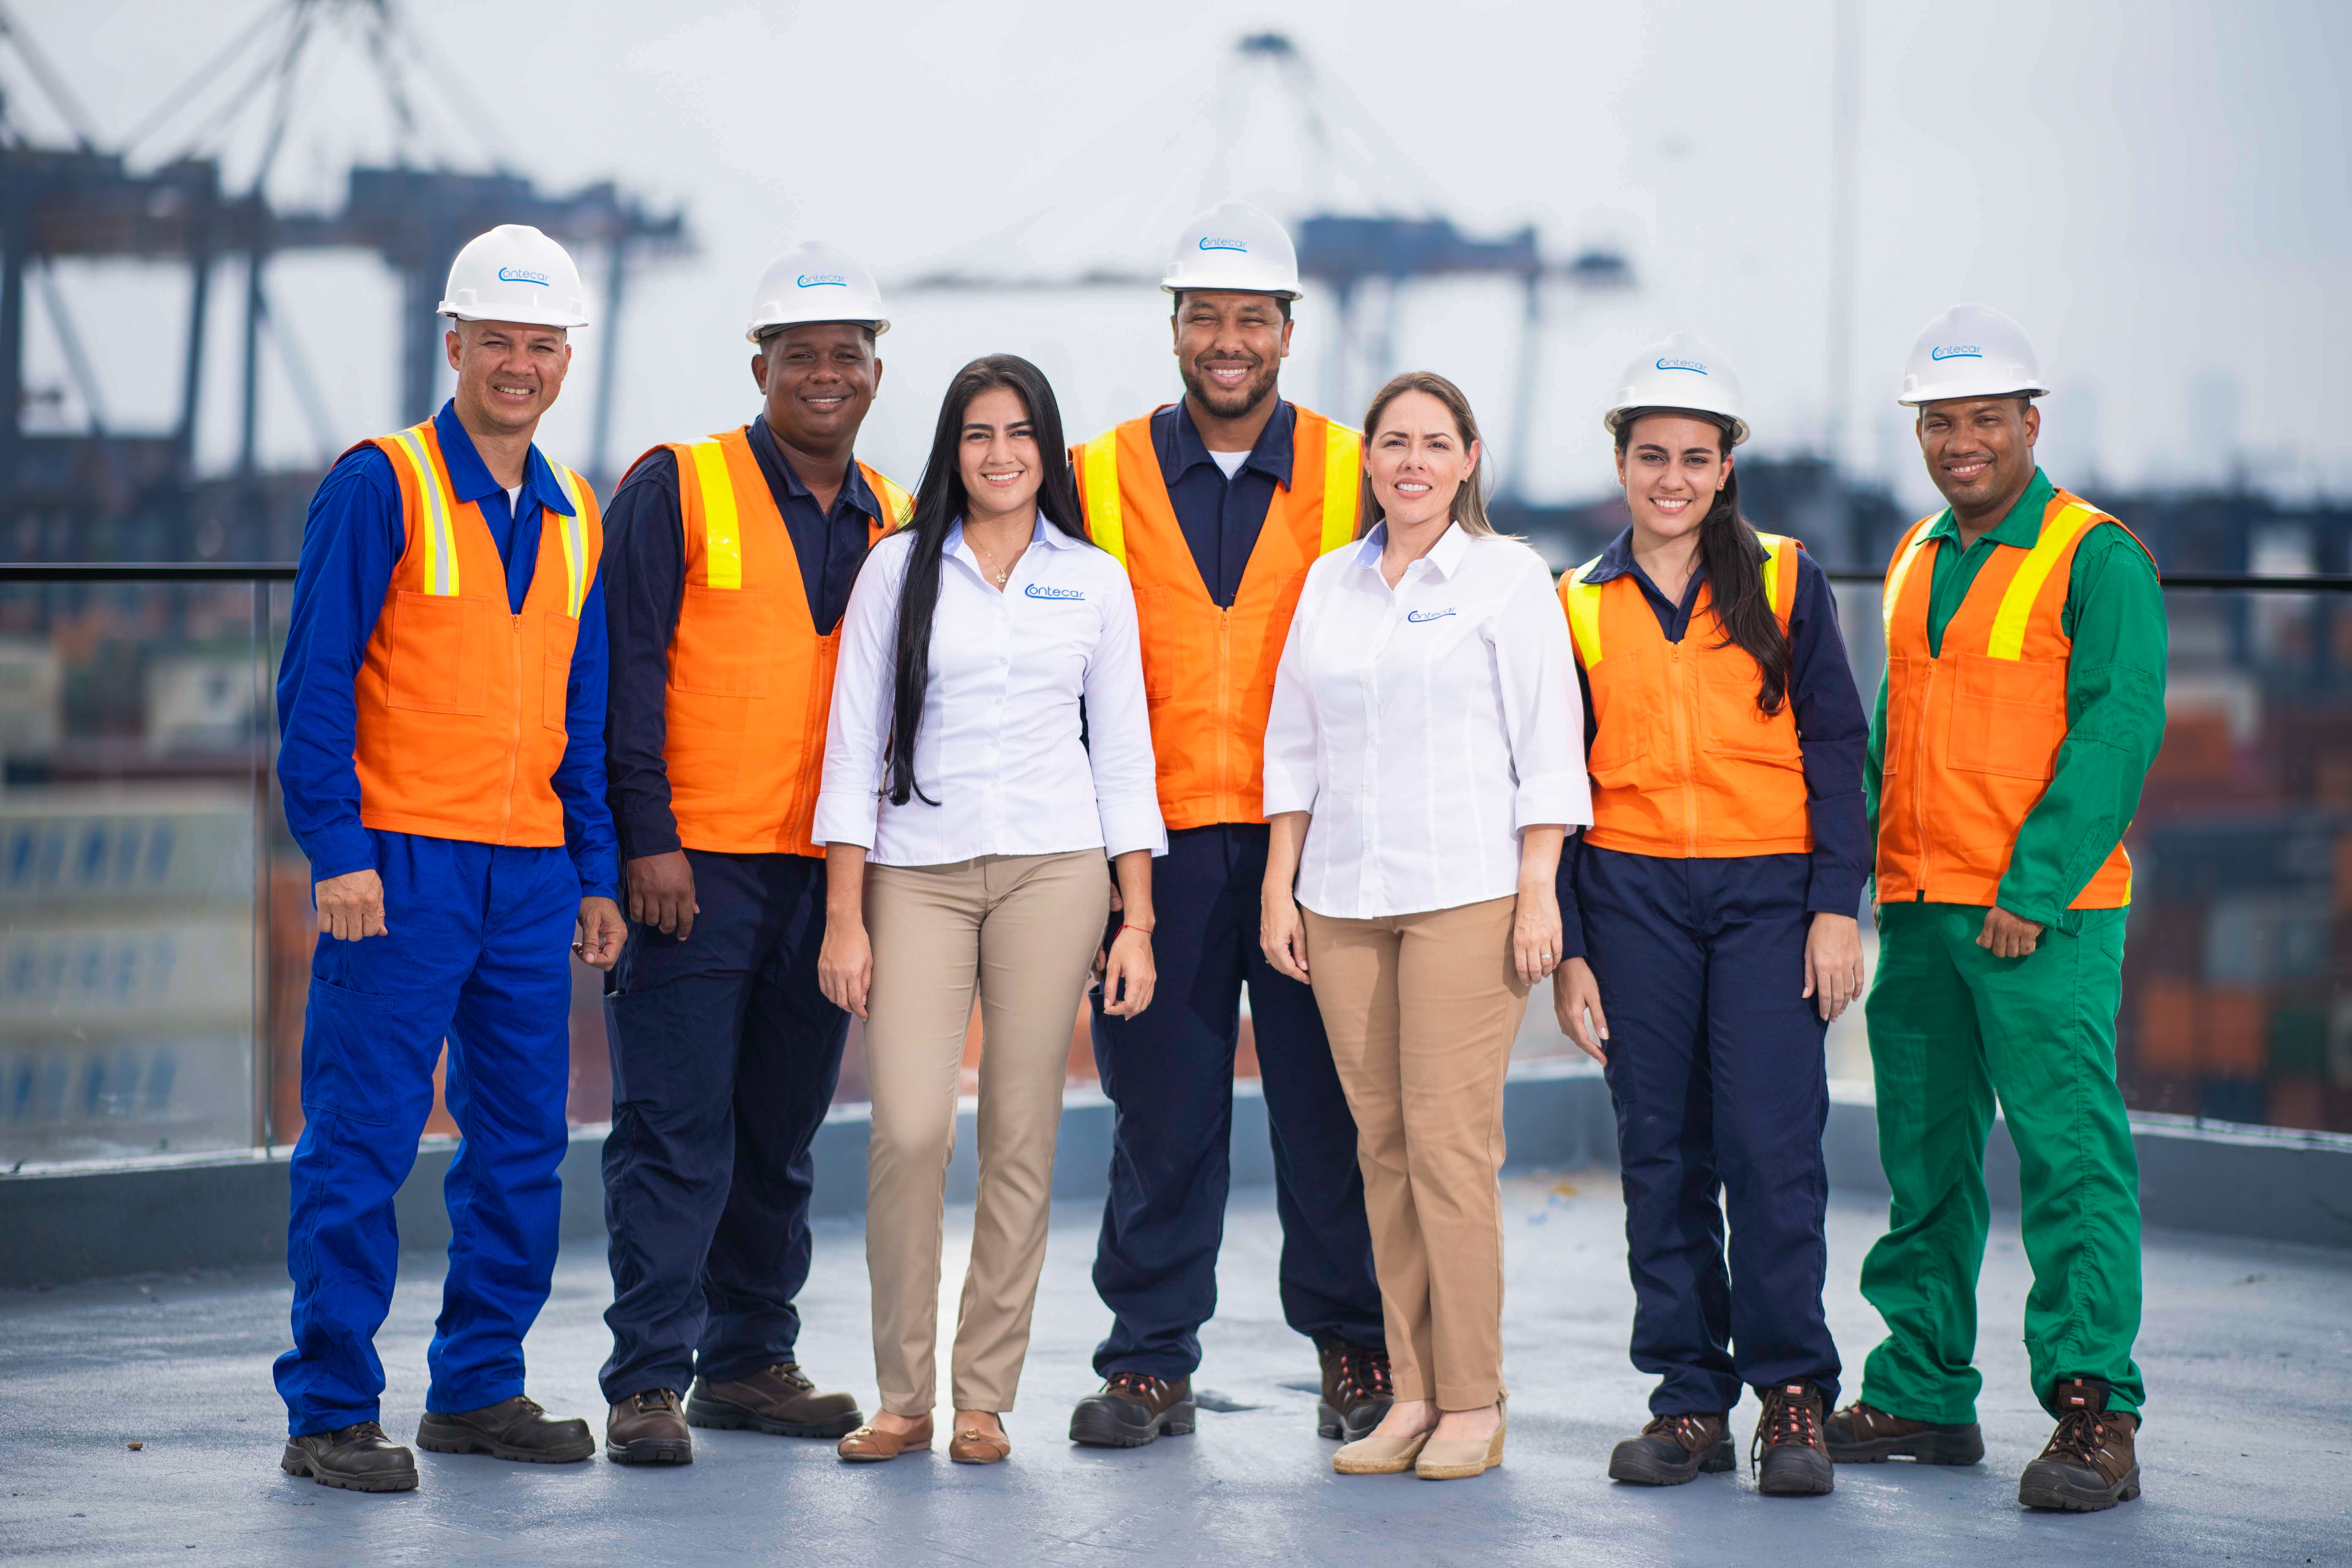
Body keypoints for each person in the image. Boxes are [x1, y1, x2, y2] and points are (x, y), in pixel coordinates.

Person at [271, 225, 623, 1493]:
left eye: (542, 346)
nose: (519, 367)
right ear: (454, 344)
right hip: (399, 868)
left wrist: (593, 872)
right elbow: (314, 687)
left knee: (523, 1144)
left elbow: (581, 724)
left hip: (528, 874)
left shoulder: (579, 512)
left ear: (565, 359)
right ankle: (330, 1408)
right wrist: (337, 850)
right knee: (362, 1141)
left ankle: (478, 1388)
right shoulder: (381, 484)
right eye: (499, 343)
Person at [1066, 201, 1392, 1451]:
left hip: (1317, 844)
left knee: (1330, 1104)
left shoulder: (1359, 466)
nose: (1227, 339)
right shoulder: (1094, 472)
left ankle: (1354, 1351)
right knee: (1161, 1108)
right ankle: (1150, 1361)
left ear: (1289, 332)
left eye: (1252, 317)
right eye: (1204, 316)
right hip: (1152, 849)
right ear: (1174, 328)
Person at [1829, 304, 2166, 1514]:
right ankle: (1922, 1389)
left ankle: (2094, 1415)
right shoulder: (1920, 553)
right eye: (1939, 423)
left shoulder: (2096, 556)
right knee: (1923, 1163)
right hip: (1919, 914)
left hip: (2040, 922)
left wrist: (2031, 889)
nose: (1960, 442)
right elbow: (1892, 740)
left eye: (1983, 420)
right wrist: (1850, 882)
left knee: (2071, 1162)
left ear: (2031, 423)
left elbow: (2119, 733)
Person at [814, 355, 1165, 1466]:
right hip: (914, 874)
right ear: (951, 450)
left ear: (1047, 450)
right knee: (911, 1132)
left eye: (1019, 433)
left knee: (1023, 1135)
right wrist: (844, 917)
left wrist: (1138, 919)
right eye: (977, 434)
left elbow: (1125, 759)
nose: (1000, 453)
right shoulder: (896, 572)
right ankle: (903, 1396)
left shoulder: (1093, 581)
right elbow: (850, 753)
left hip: (1056, 876)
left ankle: (982, 1397)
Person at [594, 244, 912, 1465]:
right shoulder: (679, 486)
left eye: (848, 355)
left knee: (781, 1130)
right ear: (760, 364)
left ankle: (748, 1363)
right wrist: (648, 841)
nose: (826, 375)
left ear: (876, 370)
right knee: (676, 1131)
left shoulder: (891, 512)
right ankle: (646, 1385)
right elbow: (624, 674)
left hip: (827, 876)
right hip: (695, 868)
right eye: (802, 356)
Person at [1547, 335, 1870, 1497]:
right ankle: (1688, 1400)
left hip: (1769, 899)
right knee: (1659, 1154)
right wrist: (1571, 951)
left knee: (1770, 1151)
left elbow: (1836, 748)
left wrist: (1838, 910)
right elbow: (1555, 789)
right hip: (1631, 899)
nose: (1671, 478)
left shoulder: (1786, 579)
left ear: (1726, 465)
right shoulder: (1575, 605)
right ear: (1620, 464)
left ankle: (1793, 1398)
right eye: (1650, 457)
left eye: (1694, 458)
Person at [1261, 371, 1586, 1481]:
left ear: (1468, 460)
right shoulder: (1328, 584)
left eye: (1433, 443)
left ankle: (1473, 1401)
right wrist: (1279, 883)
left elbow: (1550, 750)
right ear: (1368, 461)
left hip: (1466, 894)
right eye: (1392, 442)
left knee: (1450, 1151)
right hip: (1343, 898)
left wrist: (1540, 886)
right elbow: (1294, 745)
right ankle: (1409, 1393)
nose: (1411, 461)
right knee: (1382, 1152)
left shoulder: (1508, 580)